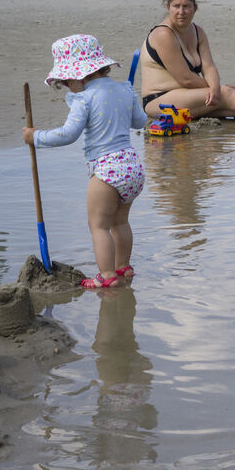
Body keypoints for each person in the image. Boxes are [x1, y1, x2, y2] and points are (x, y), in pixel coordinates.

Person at [24, 35, 148, 290]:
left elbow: (68, 134)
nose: (67, 87)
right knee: (120, 222)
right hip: (132, 167)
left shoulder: (84, 98)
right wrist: (129, 100)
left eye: (66, 82)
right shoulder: (125, 90)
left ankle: (107, 276)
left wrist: (35, 137)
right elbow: (140, 122)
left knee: (98, 226)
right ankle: (123, 267)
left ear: (79, 77)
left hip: (106, 170)